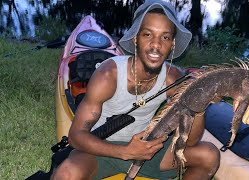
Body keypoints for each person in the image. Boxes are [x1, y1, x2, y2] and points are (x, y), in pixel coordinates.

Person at [51, 0, 220, 179]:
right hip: (101, 149)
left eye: (165, 37)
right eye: (148, 35)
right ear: (135, 39)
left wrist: (198, 106)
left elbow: (191, 141)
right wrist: (126, 152)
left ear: (172, 45)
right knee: (67, 173)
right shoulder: (108, 75)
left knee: (208, 155)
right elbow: (76, 136)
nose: (156, 45)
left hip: (146, 149)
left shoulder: (174, 78)